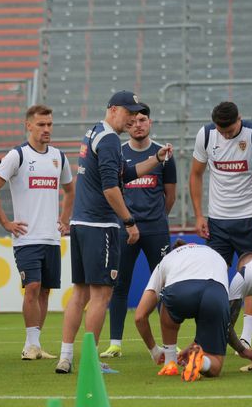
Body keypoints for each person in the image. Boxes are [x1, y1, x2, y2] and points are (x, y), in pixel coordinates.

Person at [56, 91, 172, 374]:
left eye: (136, 113)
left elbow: (126, 173)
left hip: (81, 223)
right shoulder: (109, 140)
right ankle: (91, 361)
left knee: (80, 293)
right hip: (101, 225)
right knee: (101, 295)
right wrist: (129, 222)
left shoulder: (93, 132)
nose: (133, 118)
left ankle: (66, 356)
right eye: (128, 112)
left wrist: (156, 158)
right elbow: (111, 188)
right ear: (113, 109)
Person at [0, 105, 74, 361]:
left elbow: (70, 190)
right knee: (32, 286)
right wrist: (6, 222)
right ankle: (29, 344)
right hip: (26, 238)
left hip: (51, 237)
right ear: (29, 126)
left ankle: (35, 344)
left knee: (45, 290)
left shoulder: (59, 156)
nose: (47, 129)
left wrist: (64, 219)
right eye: (41, 124)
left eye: (49, 124)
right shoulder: (17, 155)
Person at [189, 101, 252, 349]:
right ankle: (209, 335)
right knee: (212, 278)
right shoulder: (206, 135)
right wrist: (198, 215)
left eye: (229, 130)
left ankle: (246, 336)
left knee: (250, 277)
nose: (226, 135)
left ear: (239, 119)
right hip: (218, 221)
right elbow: (195, 174)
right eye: (222, 131)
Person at [101, 103, 177, 358]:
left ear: (150, 122)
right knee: (119, 285)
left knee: (165, 286)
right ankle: (115, 343)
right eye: (132, 121)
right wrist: (129, 220)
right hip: (125, 229)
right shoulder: (118, 153)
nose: (137, 125)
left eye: (142, 120)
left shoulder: (164, 154)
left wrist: (156, 219)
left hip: (156, 229)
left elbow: (171, 194)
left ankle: (169, 344)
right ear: (127, 125)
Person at [134, 240, 252, 381]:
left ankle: (170, 362)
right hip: (214, 291)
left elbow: (140, 316)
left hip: (179, 292)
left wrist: (154, 351)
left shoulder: (167, 259)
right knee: (215, 365)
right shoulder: (216, 256)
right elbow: (219, 324)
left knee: (166, 300)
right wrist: (241, 349)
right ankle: (202, 362)